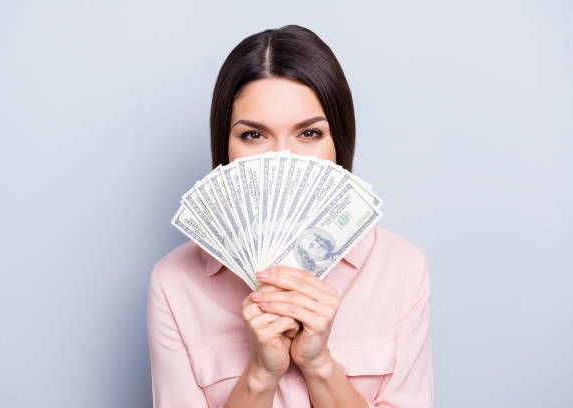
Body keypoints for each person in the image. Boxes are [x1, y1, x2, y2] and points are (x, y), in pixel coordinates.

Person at [147, 25, 433, 407]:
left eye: (309, 134)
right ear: (224, 146)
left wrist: (318, 365)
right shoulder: (175, 283)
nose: (283, 159)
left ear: (339, 141)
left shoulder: (400, 270)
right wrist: (260, 376)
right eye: (254, 135)